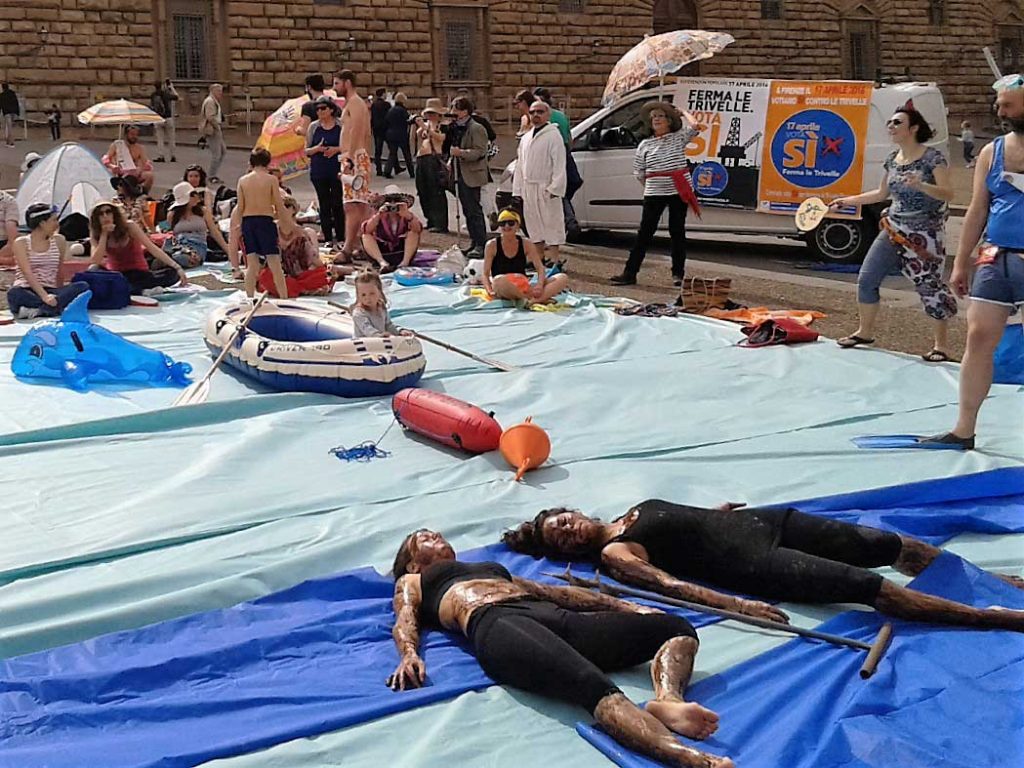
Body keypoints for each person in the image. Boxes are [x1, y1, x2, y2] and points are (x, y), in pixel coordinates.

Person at [388, 529, 734, 768]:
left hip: (548, 613)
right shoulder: (415, 580)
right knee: (591, 684)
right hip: (496, 622)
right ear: (414, 563)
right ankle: (690, 758)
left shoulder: (489, 568)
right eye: (424, 538)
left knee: (675, 628)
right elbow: (405, 616)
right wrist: (409, 653)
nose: (436, 536)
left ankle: (669, 700)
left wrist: (630, 608)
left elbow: (554, 593)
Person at [504, 501, 1024, 632]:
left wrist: (721, 512)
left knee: (890, 544)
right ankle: (990, 615)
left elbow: (693, 520)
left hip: (770, 522)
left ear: (574, 510)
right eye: (560, 536)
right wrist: (736, 604)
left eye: (563, 520)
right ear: (569, 552)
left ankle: (992, 582)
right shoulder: (616, 554)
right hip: (758, 562)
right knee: (868, 588)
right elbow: (673, 585)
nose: (568, 528)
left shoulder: (628, 514)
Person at [924, 74, 1024, 450]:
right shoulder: (992, 152)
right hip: (996, 258)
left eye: (1007, 104)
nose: (999, 111)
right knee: (979, 336)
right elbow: (977, 209)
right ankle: (964, 429)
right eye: (999, 104)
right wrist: (961, 262)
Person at [831, 108, 957, 362]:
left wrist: (922, 185)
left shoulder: (933, 158)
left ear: (913, 129)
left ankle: (940, 346)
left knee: (930, 287)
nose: (890, 125)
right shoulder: (892, 159)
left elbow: (948, 194)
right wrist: (848, 200)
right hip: (893, 228)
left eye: (897, 122)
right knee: (867, 278)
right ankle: (864, 332)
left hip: (925, 234)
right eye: (889, 121)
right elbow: (880, 194)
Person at [611, 102, 699, 287]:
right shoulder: (645, 144)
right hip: (654, 191)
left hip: (677, 190)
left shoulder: (678, 137)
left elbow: (695, 126)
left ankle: (678, 274)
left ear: (668, 121)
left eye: (660, 116)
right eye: (653, 117)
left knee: (677, 231)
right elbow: (639, 172)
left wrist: (682, 112)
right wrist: (652, 185)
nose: (656, 119)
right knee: (645, 233)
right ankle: (630, 272)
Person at [7, 203, 89, 319]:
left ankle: (40, 310)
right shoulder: (21, 243)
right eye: (54, 220)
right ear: (42, 223)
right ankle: (53, 309)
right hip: (27, 289)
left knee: (83, 287)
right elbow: (27, 272)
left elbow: (59, 269)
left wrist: (59, 292)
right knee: (14, 294)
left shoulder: (59, 240)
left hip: (51, 289)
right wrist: (45, 296)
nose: (57, 224)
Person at [88, 201, 188, 295]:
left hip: (139, 274)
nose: (105, 216)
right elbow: (96, 260)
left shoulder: (129, 226)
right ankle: (137, 290)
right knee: (93, 270)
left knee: (172, 273)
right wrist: (104, 235)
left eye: (108, 212)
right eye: (100, 214)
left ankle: (131, 290)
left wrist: (177, 267)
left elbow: (151, 248)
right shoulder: (97, 234)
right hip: (117, 276)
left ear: (114, 214)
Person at [514, 101, 567, 267]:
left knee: (551, 222)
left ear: (547, 115)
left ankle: (555, 259)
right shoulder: (526, 138)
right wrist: (518, 189)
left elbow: (559, 163)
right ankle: (538, 258)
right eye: (533, 112)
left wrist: (555, 187)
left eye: (540, 112)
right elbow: (520, 164)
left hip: (546, 187)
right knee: (533, 223)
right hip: (529, 186)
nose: (536, 115)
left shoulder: (553, 135)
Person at [236, 147, 293, 299]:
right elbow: (279, 204)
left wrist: (237, 226)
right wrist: (289, 224)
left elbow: (240, 206)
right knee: (274, 262)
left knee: (252, 262)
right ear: (268, 162)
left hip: (248, 221)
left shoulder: (243, 180)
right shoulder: (271, 179)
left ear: (251, 162)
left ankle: (249, 297)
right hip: (265, 220)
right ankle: (284, 297)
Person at [483, 209, 568, 303]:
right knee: (498, 281)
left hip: (522, 285)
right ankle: (533, 299)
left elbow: (540, 268)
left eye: (511, 223)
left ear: (517, 225)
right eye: (503, 223)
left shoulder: (526, 243)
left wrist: (539, 285)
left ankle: (530, 301)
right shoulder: (491, 245)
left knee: (562, 277)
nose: (506, 226)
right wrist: (489, 290)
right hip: (503, 286)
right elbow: (485, 273)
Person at [257, 195, 332, 298]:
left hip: (300, 275)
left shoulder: (303, 233)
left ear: (293, 211)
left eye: (286, 207)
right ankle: (300, 289)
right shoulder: (270, 230)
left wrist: (325, 271)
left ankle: (295, 288)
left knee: (324, 275)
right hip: (278, 275)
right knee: (265, 276)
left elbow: (314, 260)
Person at [335, 69, 374, 260]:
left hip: (355, 157)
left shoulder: (356, 103)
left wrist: (349, 157)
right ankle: (358, 245)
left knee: (353, 205)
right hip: (352, 156)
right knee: (357, 205)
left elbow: (358, 130)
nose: (335, 88)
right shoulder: (352, 103)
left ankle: (348, 248)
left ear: (347, 83)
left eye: (336, 83)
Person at [534, 86, 581, 238]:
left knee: (559, 193)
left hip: (552, 157)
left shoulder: (543, 118)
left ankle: (569, 221)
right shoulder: (561, 116)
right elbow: (569, 139)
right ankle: (568, 220)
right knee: (564, 190)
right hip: (567, 155)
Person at [446, 96, 489, 257]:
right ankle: (473, 241)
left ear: (464, 111)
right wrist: (452, 159)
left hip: (472, 174)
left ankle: (481, 243)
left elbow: (480, 151)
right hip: (460, 173)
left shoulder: (476, 128)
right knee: (467, 210)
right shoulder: (457, 128)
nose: (452, 113)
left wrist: (461, 153)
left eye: (455, 109)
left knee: (474, 210)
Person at [305, 95, 345, 252]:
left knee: (337, 202)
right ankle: (328, 237)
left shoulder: (340, 126)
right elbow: (306, 150)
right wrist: (317, 149)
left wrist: (335, 149)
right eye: (317, 109)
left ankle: (341, 236)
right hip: (319, 170)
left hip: (336, 169)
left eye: (323, 108)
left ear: (331, 110)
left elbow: (347, 145)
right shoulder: (314, 127)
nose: (320, 111)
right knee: (324, 204)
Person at [163, 180, 231, 269]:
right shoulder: (173, 214)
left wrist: (229, 252)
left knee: (182, 258)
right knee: (170, 255)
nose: (196, 197)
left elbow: (214, 232)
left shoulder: (202, 212)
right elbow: (170, 233)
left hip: (197, 246)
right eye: (192, 196)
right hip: (179, 245)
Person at [360, 185, 423, 272]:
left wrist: (408, 215)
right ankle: (382, 263)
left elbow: (418, 229)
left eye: (396, 200)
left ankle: (405, 263)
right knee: (366, 236)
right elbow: (366, 230)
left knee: (413, 233)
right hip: (383, 251)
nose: (392, 204)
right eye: (389, 201)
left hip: (401, 252)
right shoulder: (379, 215)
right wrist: (378, 215)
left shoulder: (406, 215)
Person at [413, 98, 449, 233]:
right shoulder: (426, 125)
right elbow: (415, 141)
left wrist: (425, 127)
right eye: (428, 113)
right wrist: (417, 128)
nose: (430, 116)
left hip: (433, 159)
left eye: (433, 113)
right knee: (423, 191)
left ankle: (440, 223)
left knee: (435, 192)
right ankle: (430, 219)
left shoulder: (442, 125)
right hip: (422, 158)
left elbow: (441, 139)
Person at [350, 269, 412, 338]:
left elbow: (388, 325)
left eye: (372, 293)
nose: (368, 298)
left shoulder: (381, 307)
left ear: (379, 291)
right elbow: (367, 329)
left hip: (381, 342)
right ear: (358, 295)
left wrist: (400, 331)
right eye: (363, 295)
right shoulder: (359, 313)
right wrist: (379, 335)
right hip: (365, 343)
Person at [102, 125, 155, 193]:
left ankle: (143, 194)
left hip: (135, 173)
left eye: (136, 135)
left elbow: (146, 163)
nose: (134, 137)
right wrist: (112, 166)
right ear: (126, 135)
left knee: (149, 176)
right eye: (132, 134)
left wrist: (140, 169)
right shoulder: (117, 145)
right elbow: (106, 159)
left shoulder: (139, 148)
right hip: (120, 172)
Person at [383, 92, 414, 179]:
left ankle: (387, 171)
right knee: (407, 154)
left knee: (392, 154)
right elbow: (408, 120)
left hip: (391, 134)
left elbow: (386, 121)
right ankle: (412, 172)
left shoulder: (391, 110)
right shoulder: (403, 110)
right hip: (401, 134)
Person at [199, 83, 226, 184]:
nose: (221, 93)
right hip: (213, 130)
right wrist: (217, 126)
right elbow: (210, 117)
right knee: (217, 154)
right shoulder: (210, 101)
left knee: (223, 151)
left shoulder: (213, 101)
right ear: (213, 91)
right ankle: (211, 176)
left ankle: (213, 174)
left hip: (215, 129)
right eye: (219, 91)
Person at [150, 80, 178, 162]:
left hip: (158, 118)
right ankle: (173, 156)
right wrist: (171, 87)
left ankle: (161, 156)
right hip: (168, 118)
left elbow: (152, 106)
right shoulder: (166, 94)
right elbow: (176, 96)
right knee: (171, 138)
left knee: (160, 139)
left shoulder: (153, 95)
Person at [371, 87, 391, 176]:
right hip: (385, 129)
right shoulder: (387, 104)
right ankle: (391, 167)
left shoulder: (374, 104)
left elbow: (372, 117)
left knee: (378, 150)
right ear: (383, 94)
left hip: (376, 129)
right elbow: (389, 117)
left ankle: (378, 170)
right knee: (392, 149)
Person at [0, 187, 20, 268]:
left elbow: (13, 237)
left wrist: (10, 246)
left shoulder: (8, 201)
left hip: (2, 243)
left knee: (17, 247)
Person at [0, 83, 17, 147]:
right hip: (13, 112)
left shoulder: (2, 95)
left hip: (7, 112)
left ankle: (11, 142)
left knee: (9, 128)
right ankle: (8, 141)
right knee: (9, 127)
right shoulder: (12, 93)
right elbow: (16, 102)